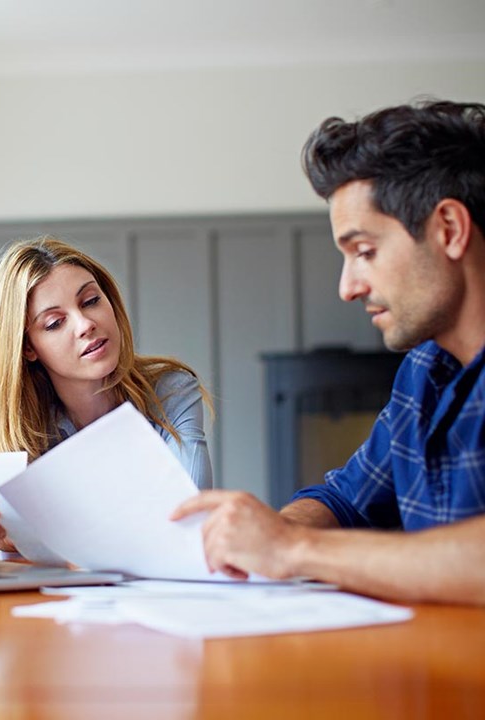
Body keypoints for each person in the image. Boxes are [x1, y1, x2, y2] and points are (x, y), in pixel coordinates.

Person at [173, 99, 485, 605]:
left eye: (364, 252)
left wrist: (295, 547)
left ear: (448, 229)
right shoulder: (422, 371)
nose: (348, 287)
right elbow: (346, 498)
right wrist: (264, 536)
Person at [0, 236, 213, 564]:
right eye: (55, 323)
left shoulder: (171, 391)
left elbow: (190, 514)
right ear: (28, 348)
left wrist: (41, 536)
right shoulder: (5, 419)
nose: (86, 324)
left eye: (90, 301)